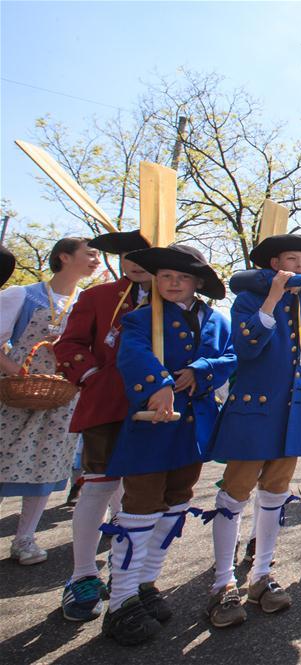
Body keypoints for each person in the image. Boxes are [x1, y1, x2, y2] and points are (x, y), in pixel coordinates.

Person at [101, 244, 235, 645]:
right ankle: (120, 601)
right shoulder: (141, 318)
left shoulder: (217, 320)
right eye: (165, 277)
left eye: (182, 277)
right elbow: (133, 355)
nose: (172, 283)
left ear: (198, 283)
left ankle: (145, 583)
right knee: (140, 505)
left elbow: (230, 357)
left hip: (191, 427)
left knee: (176, 500)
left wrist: (201, 369)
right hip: (152, 423)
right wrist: (157, 386)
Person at [203, 234, 301, 628]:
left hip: (293, 417)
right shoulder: (248, 300)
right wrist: (271, 300)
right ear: (274, 264)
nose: (297, 267)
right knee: (235, 493)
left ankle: (261, 575)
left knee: (276, 495)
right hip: (252, 414)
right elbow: (246, 347)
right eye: (290, 259)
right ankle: (222, 582)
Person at [54, 230, 152, 621]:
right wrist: (94, 375)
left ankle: (128, 574)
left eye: (144, 254)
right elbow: (69, 344)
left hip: (157, 410)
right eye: (128, 254)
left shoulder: (175, 300)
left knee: (141, 495)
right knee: (98, 486)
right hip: (107, 405)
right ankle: (82, 574)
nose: (134, 261)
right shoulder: (96, 297)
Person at [0, 237, 99, 566]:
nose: (96, 260)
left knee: (45, 462)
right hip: (16, 391)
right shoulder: (22, 295)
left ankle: (24, 537)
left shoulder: (85, 302)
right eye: (90, 254)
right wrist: (15, 371)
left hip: (60, 394)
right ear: (64, 256)